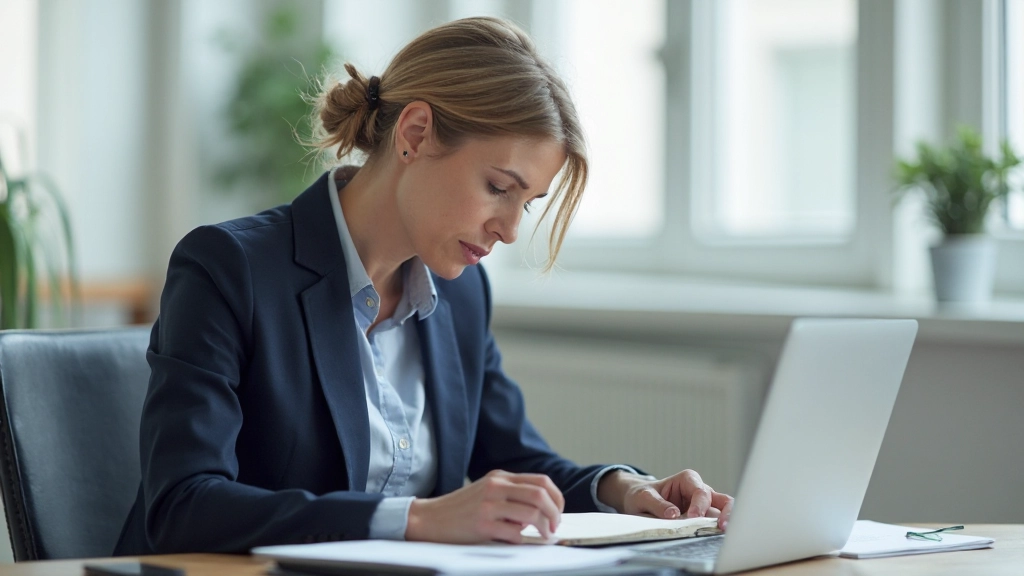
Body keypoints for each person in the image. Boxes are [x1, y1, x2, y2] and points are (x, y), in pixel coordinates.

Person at [114, 16, 733, 555]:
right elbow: (184, 504)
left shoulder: (461, 294)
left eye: (529, 203)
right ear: (414, 134)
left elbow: (513, 461)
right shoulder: (228, 268)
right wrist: (417, 520)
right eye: (498, 188)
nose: (512, 230)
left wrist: (623, 489)